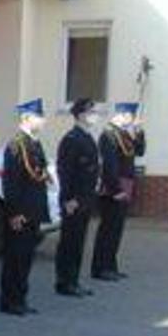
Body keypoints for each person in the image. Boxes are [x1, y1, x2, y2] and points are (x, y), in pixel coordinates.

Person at [0, 99, 52, 316]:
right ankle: (10, 301)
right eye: (39, 117)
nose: (43, 120)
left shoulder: (34, 144)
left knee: (26, 258)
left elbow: (40, 173)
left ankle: (20, 298)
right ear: (26, 118)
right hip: (21, 212)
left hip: (33, 210)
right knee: (16, 258)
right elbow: (11, 182)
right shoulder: (16, 145)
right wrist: (14, 213)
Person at [54, 98, 103, 297]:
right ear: (81, 115)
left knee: (78, 242)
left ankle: (73, 280)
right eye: (91, 112)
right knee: (70, 242)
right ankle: (65, 282)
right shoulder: (72, 139)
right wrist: (68, 199)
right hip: (74, 200)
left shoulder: (87, 137)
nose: (95, 116)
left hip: (85, 198)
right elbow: (65, 172)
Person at [93, 102, 146, 281]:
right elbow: (109, 165)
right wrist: (116, 189)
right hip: (113, 187)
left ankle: (111, 265)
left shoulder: (124, 134)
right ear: (122, 115)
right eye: (131, 117)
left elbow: (139, 151)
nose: (132, 120)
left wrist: (139, 131)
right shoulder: (108, 135)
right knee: (108, 229)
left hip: (125, 184)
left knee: (116, 229)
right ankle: (100, 268)